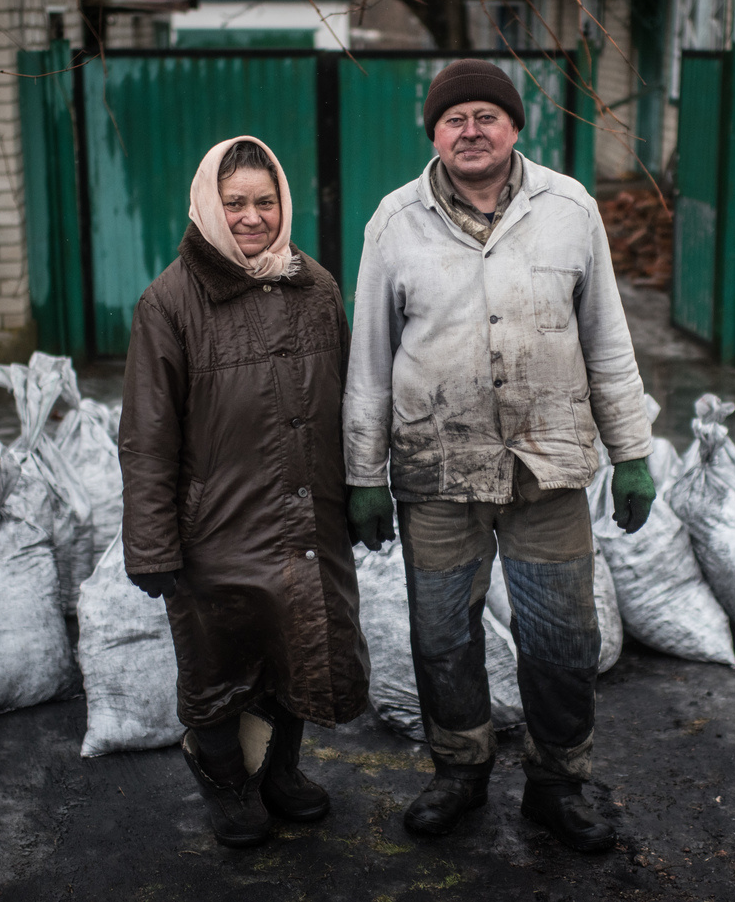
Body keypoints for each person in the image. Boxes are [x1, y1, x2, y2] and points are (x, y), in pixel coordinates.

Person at [343, 60, 655, 852]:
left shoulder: (570, 209)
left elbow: (608, 341)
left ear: (516, 126)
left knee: (563, 639)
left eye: (487, 115)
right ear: (434, 133)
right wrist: (363, 474)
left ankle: (558, 783)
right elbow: (368, 362)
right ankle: (460, 770)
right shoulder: (394, 222)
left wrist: (632, 452)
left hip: (548, 464)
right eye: (455, 119)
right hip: (435, 468)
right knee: (442, 636)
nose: (471, 130)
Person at [119, 136, 369, 849]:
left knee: (299, 649)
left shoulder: (315, 286)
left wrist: (360, 490)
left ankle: (279, 772)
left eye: (265, 201)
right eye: (235, 203)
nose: (252, 217)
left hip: (307, 514)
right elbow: (147, 436)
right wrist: (152, 543)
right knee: (217, 666)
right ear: (208, 205)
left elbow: (351, 398)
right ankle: (227, 781)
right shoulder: (170, 301)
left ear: (283, 204)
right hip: (216, 527)